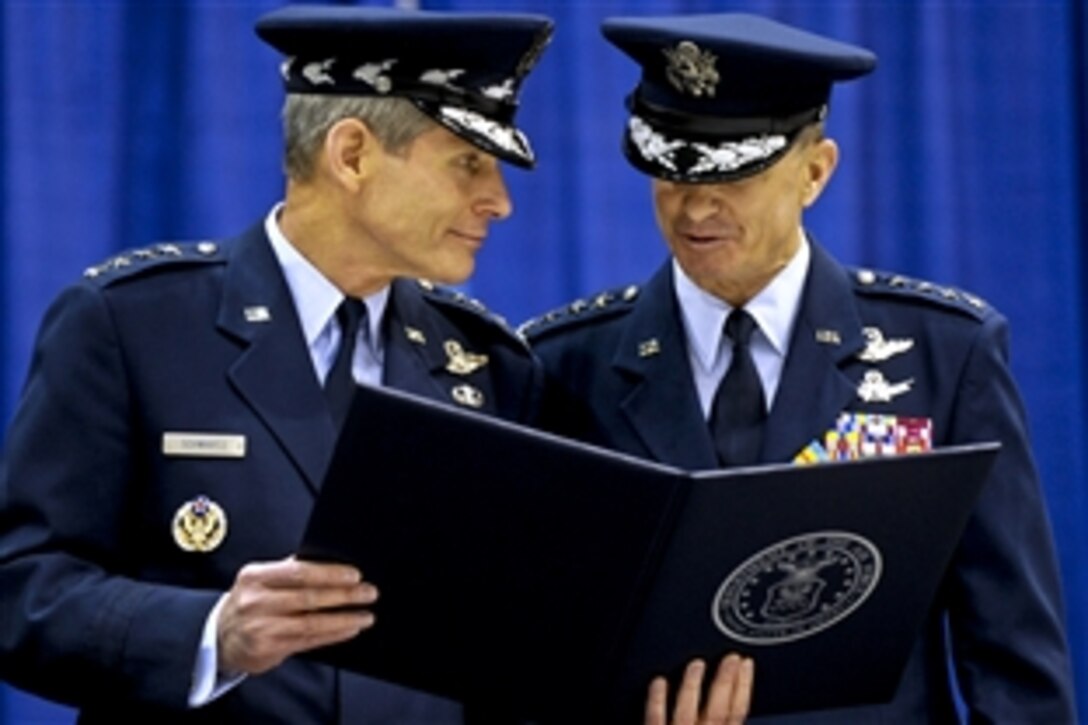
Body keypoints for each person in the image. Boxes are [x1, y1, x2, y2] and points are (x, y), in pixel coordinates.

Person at [0, 4, 749, 722]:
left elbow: (521, 640)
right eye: (468, 164)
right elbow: (21, 590)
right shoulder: (133, 326)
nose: (499, 201)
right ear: (352, 154)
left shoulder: (489, 366)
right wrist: (210, 631)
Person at [523, 13, 1077, 724]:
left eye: (735, 173)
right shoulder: (565, 365)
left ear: (815, 171)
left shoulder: (945, 354)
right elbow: (533, 652)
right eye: (670, 169)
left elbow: (1014, 658)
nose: (694, 205)